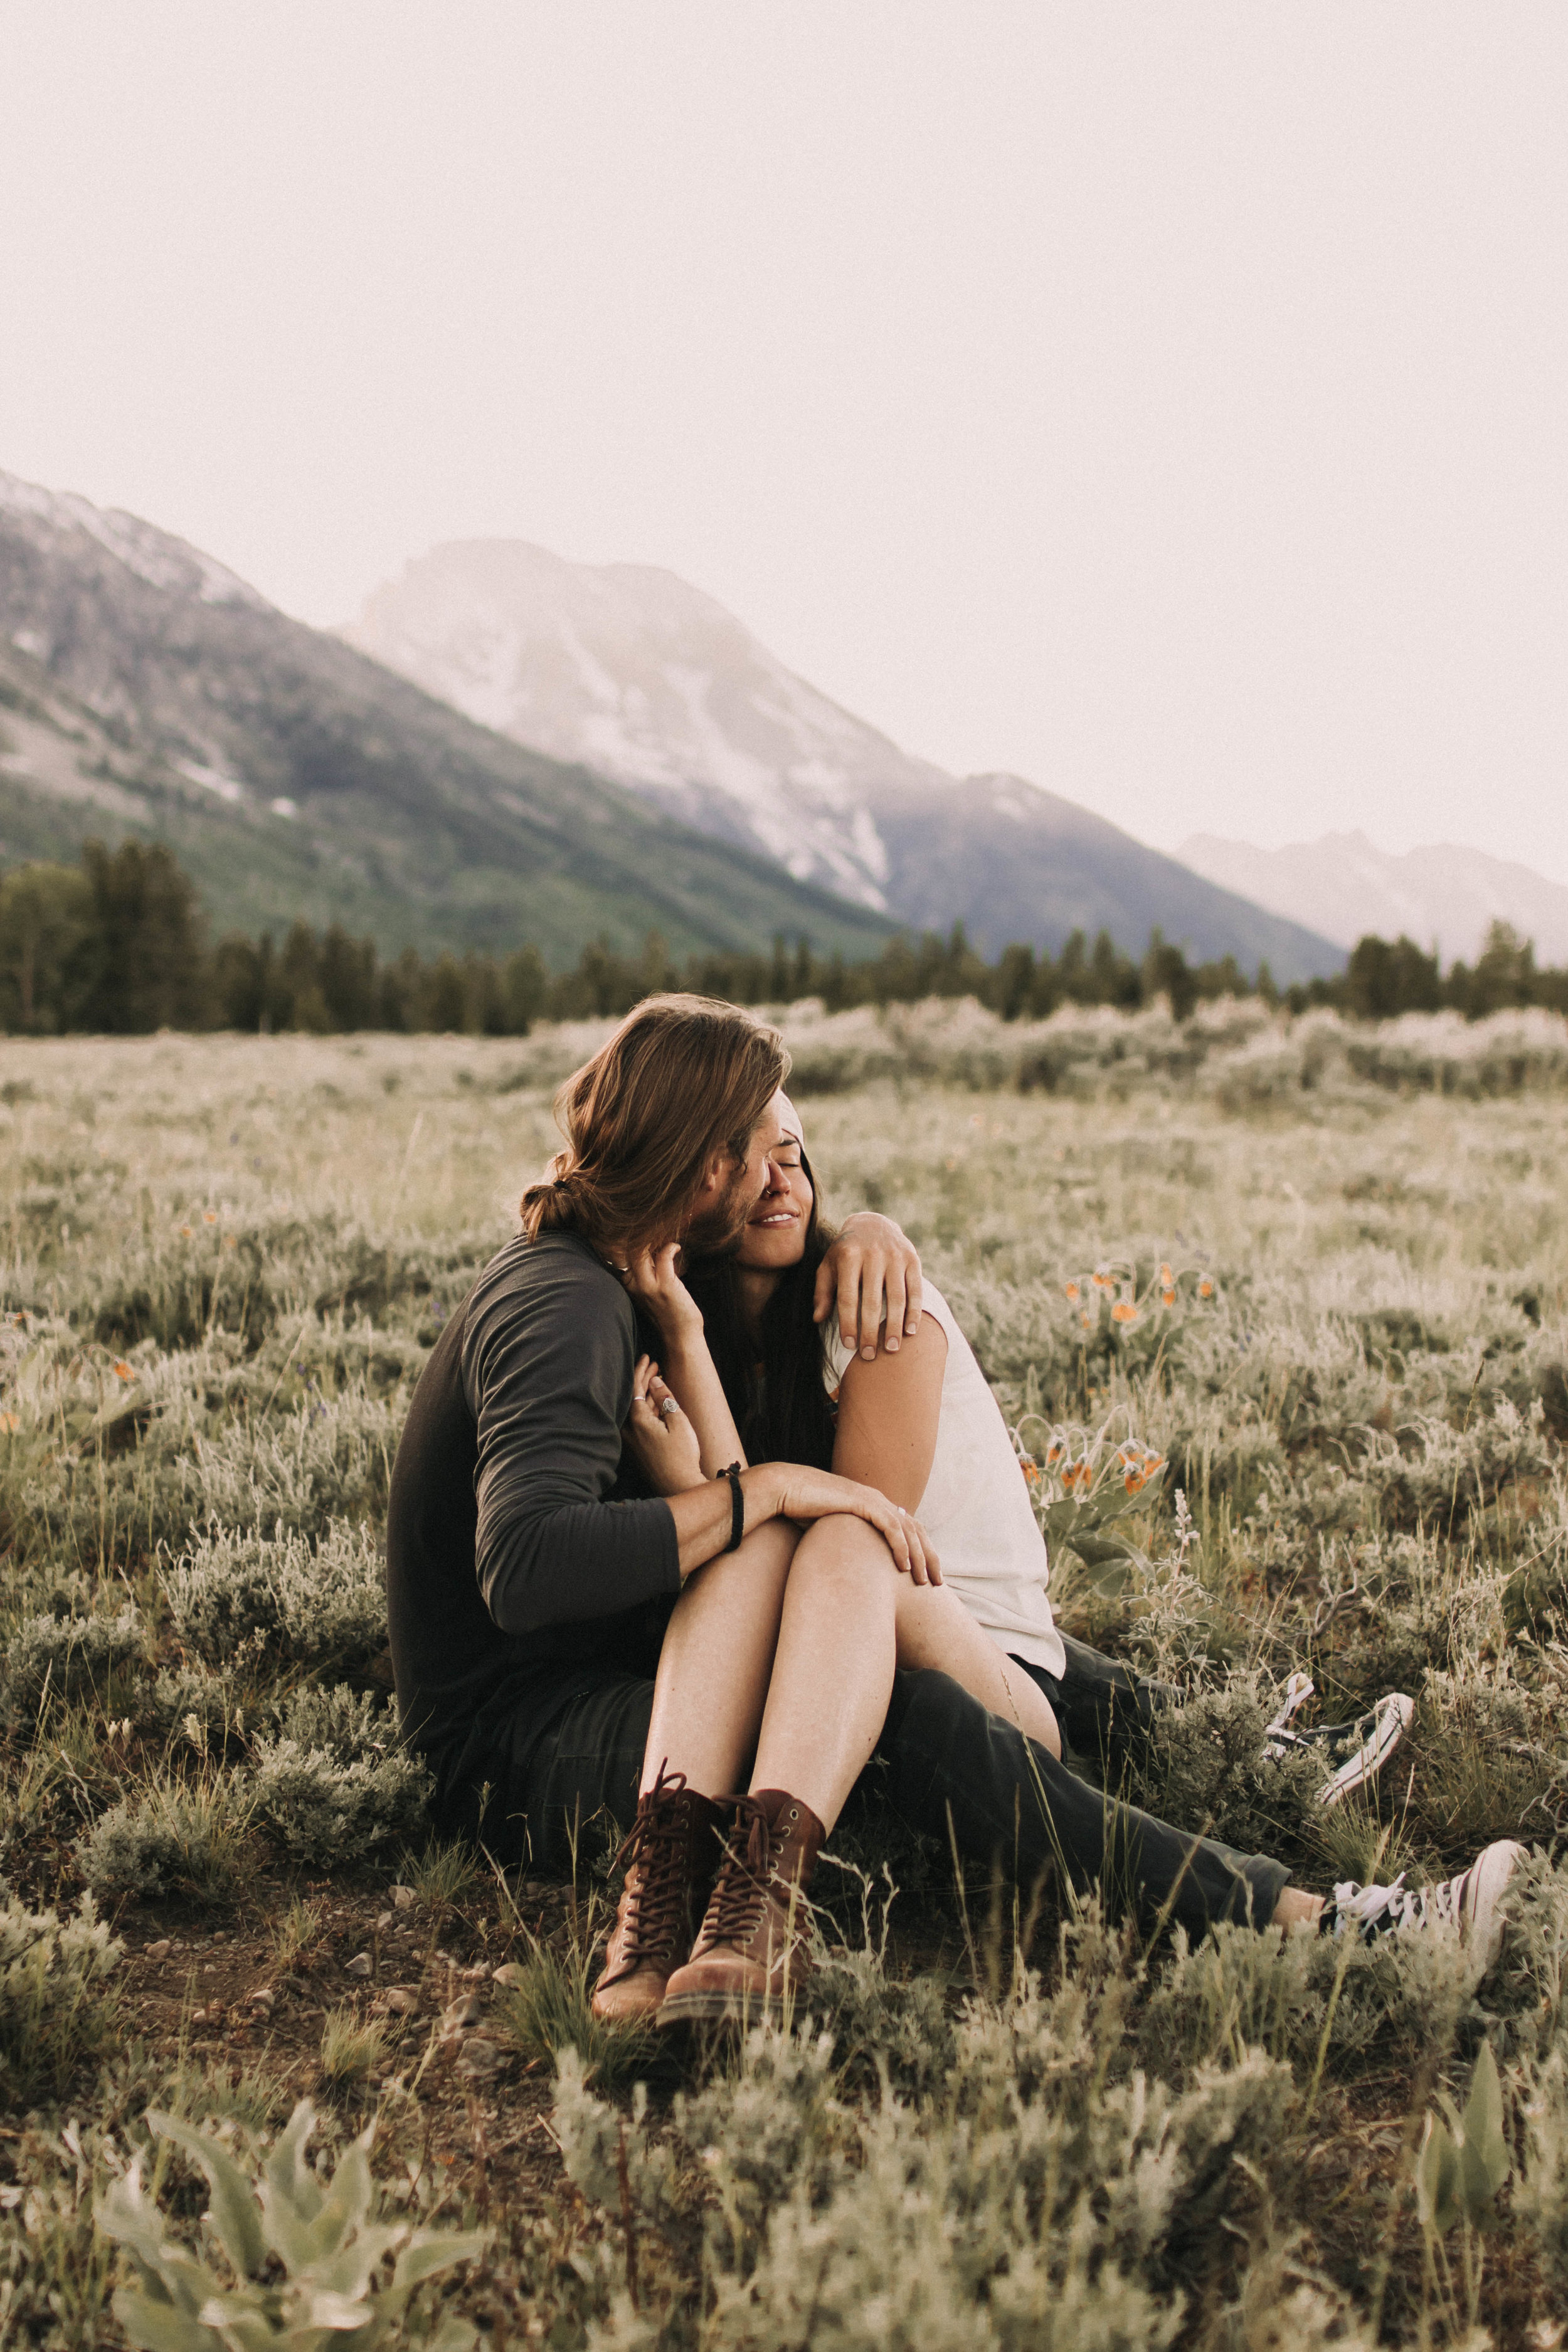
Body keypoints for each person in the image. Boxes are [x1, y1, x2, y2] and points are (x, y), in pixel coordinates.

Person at [597, 1081, 1525, 2025]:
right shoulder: (686, 1325)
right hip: (878, 1650)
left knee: (850, 1548)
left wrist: (703, 1480)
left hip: (976, 1657)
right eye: (745, 1155)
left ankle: (1328, 1914)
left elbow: (845, 1545)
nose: (777, 1178)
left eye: (794, 1152)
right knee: (821, 1598)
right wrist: (680, 1331)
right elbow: (745, 1561)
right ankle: (694, 1926)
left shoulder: (872, 1305)